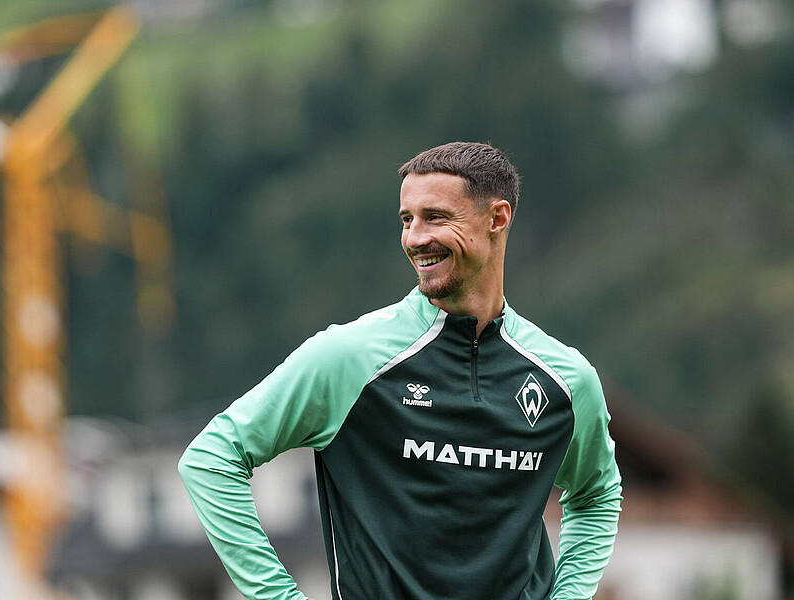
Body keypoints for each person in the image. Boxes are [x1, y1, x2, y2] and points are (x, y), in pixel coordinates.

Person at [178, 141, 623, 600]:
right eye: (406, 220)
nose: (414, 238)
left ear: (497, 218)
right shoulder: (349, 357)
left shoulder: (567, 381)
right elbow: (212, 458)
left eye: (435, 217)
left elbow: (596, 494)